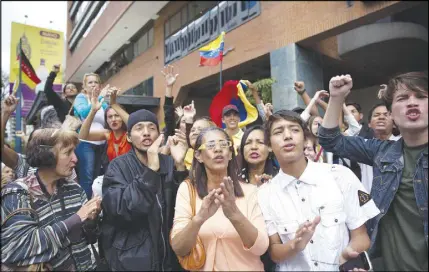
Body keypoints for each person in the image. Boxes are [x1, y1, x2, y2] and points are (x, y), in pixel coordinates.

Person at [318, 72, 428, 271]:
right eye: (403, 98)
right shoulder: (381, 151)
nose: (412, 103)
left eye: (421, 97)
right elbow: (330, 139)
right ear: (391, 114)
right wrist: (336, 97)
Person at [257, 110, 380, 271]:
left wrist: (347, 256)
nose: (287, 136)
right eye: (278, 132)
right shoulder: (264, 194)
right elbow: (274, 251)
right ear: (269, 146)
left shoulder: (340, 176)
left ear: (306, 138)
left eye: (294, 130)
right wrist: (294, 245)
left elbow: (361, 236)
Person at [1, 128, 102, 271]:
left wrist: (92, 220)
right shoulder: (18, 193)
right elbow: (20, 247)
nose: (75, 159)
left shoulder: (75, 189)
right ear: (47, 156)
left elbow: (90, 238)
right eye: (68, 153)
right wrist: (77, 217)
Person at [100, 109, 189, 271]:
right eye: (139, 128)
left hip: (170, 257)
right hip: (134, 259)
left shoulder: (169, 163)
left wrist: (180, 166)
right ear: (128, 137)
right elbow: (121, 210)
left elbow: (184, 207)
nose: (146, 133)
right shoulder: (118, 167)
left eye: (151, 128)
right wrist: (151, 171)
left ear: (159, 135)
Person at [170, 127, 269, 271]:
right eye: (210, 145)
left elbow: (261, 247)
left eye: (224, 145)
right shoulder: (187, 190)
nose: (218, 149)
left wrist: (234, 214)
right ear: (198, 155)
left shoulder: (250, 191)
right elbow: (179, 248)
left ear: (230, 154)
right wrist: (199, 219)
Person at [1, 95, 77, 181]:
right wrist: (5, 113)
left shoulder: (67, 167)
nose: (75, 159)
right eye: (67, 152)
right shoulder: (25, 166)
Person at [73, 73, 110, 198]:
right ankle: (85, 207)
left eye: (96, 82)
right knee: (87, 178)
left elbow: (109, 116)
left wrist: (113, 99)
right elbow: (83, 112)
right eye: (90, 82)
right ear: (84, 86)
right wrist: (99, 97)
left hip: (101, 144)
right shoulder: (81, 98)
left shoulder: (103, 102)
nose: (93, 84)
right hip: (85, 143)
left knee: (97, 177)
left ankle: (96, 206)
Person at [78, 87, 131, 164]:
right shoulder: (108, 134)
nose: (113, 119)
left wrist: (113, 104)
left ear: (122, 117)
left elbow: (134, 122)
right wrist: (93, 111)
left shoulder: (130, 134)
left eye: (117, 115)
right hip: (114, 174)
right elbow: (82, 136)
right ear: (106, 120)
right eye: (110, 117)